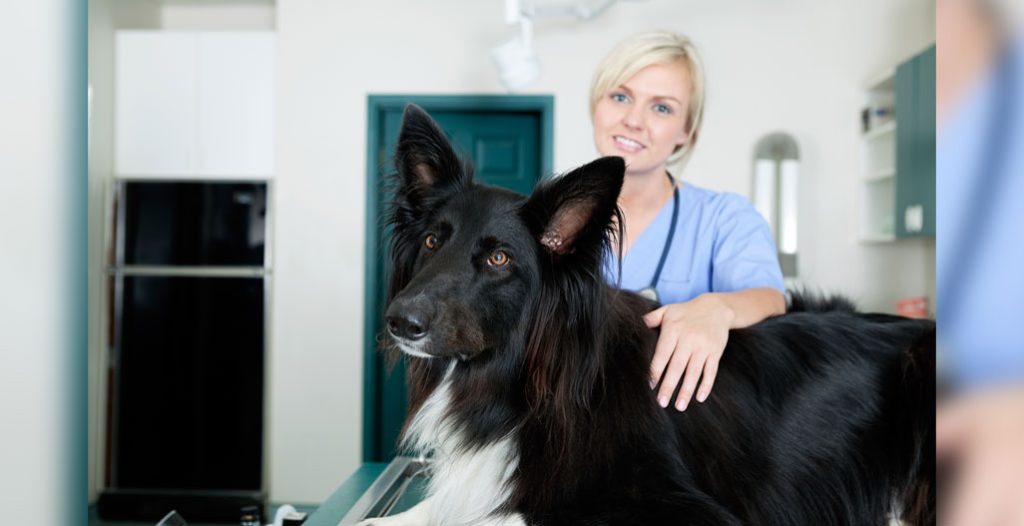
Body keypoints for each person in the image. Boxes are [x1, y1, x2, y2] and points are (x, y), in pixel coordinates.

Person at [590, 31, 786, 412]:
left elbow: (770, 299)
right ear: (597, 103)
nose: (633, 120)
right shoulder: (554, 220)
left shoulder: (724, 218)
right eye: (620, 96)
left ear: (686, 132)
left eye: (661, 108)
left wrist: (717, 309)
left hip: (683, 438)